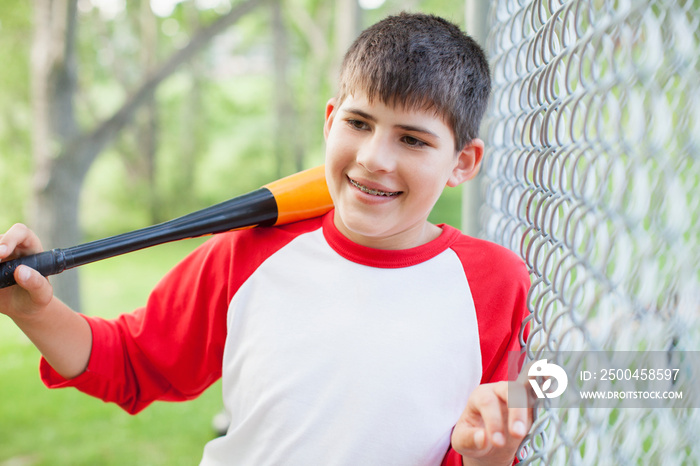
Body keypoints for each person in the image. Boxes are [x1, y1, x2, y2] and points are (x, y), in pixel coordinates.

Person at [0, 12, 532, 466]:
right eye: (359, 123)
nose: (374, 158)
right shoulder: (252, 252)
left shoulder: (494, 283)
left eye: (412, 139)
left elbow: (485, 431)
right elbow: (132, 362)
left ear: (463, 163)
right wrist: (33, 309)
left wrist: (489, 456)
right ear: (330, 122)